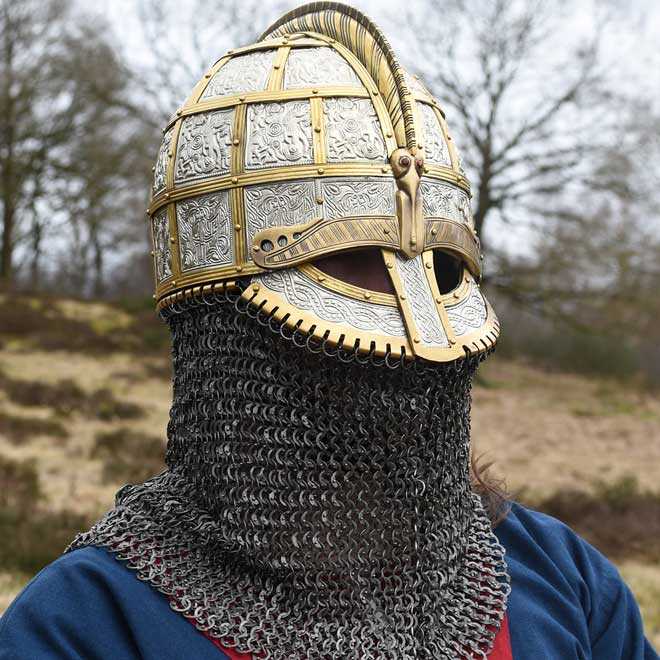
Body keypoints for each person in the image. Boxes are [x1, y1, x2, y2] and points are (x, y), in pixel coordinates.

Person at [0, 3, 657, 659]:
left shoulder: (567, 585)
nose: (412, 327)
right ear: (221, 317)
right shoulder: (87, 626)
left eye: (436, 264)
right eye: (350, 260)